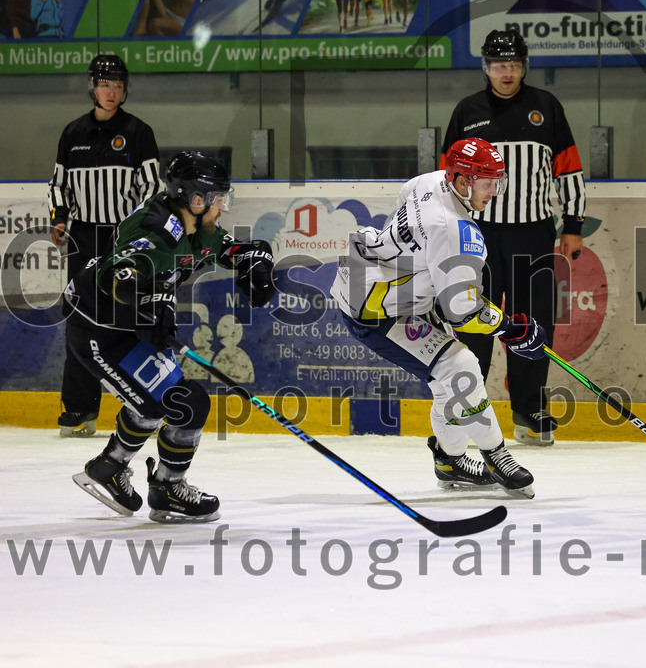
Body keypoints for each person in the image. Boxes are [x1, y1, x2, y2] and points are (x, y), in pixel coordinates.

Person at [68, 151, 277, 522]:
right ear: (196, 199)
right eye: (218, 200)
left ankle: (111, 468)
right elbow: (121, 275)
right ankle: (164, 488)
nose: (222, 208)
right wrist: (144, 308)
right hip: (99, 330)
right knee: (179, 404)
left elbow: (223, 249)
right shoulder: (156, 228)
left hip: (130, 328)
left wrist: (251, 257)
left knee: (168, 403)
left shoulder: (194, 227)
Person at [329, 138, 542, 499]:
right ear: (462, 181)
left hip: (366, 280)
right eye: (487, 182)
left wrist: (426, 284)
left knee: (450, 376)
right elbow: (464, 311)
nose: (494, 191)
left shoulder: (428, 181)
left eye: (497, 181)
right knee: (459, 367)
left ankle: (450, 461)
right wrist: (510, 328)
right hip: (377, 310)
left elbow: (404, 207)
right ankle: (494, 454)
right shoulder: (457, 231)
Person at [441, 29, 586, 447]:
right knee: (474, 322)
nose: (507, 73)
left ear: (525, 66)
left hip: (534, 235)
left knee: (532, 322)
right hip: (478, 238)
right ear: (486, 68)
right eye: (499, 65)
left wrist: (573, 225)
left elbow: (568, 169)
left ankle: (528, 408)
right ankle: (470, 408)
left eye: (514, 65)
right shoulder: (468, 111)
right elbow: (447, 176)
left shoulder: (546, 107)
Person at [47, 54, 161, 438]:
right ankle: (79, 410)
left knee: (132, 319)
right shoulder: (73, 133)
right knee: (80, 322)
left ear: (125, 89)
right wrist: (59, 218)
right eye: (104, 84)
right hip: (81, 240)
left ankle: (146, 403)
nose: (111, 91)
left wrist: (136, 232)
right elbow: (59, 185)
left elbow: (150, 188)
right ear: (92, 87)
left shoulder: (138, 132)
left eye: (117, 84)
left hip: (122, 239)